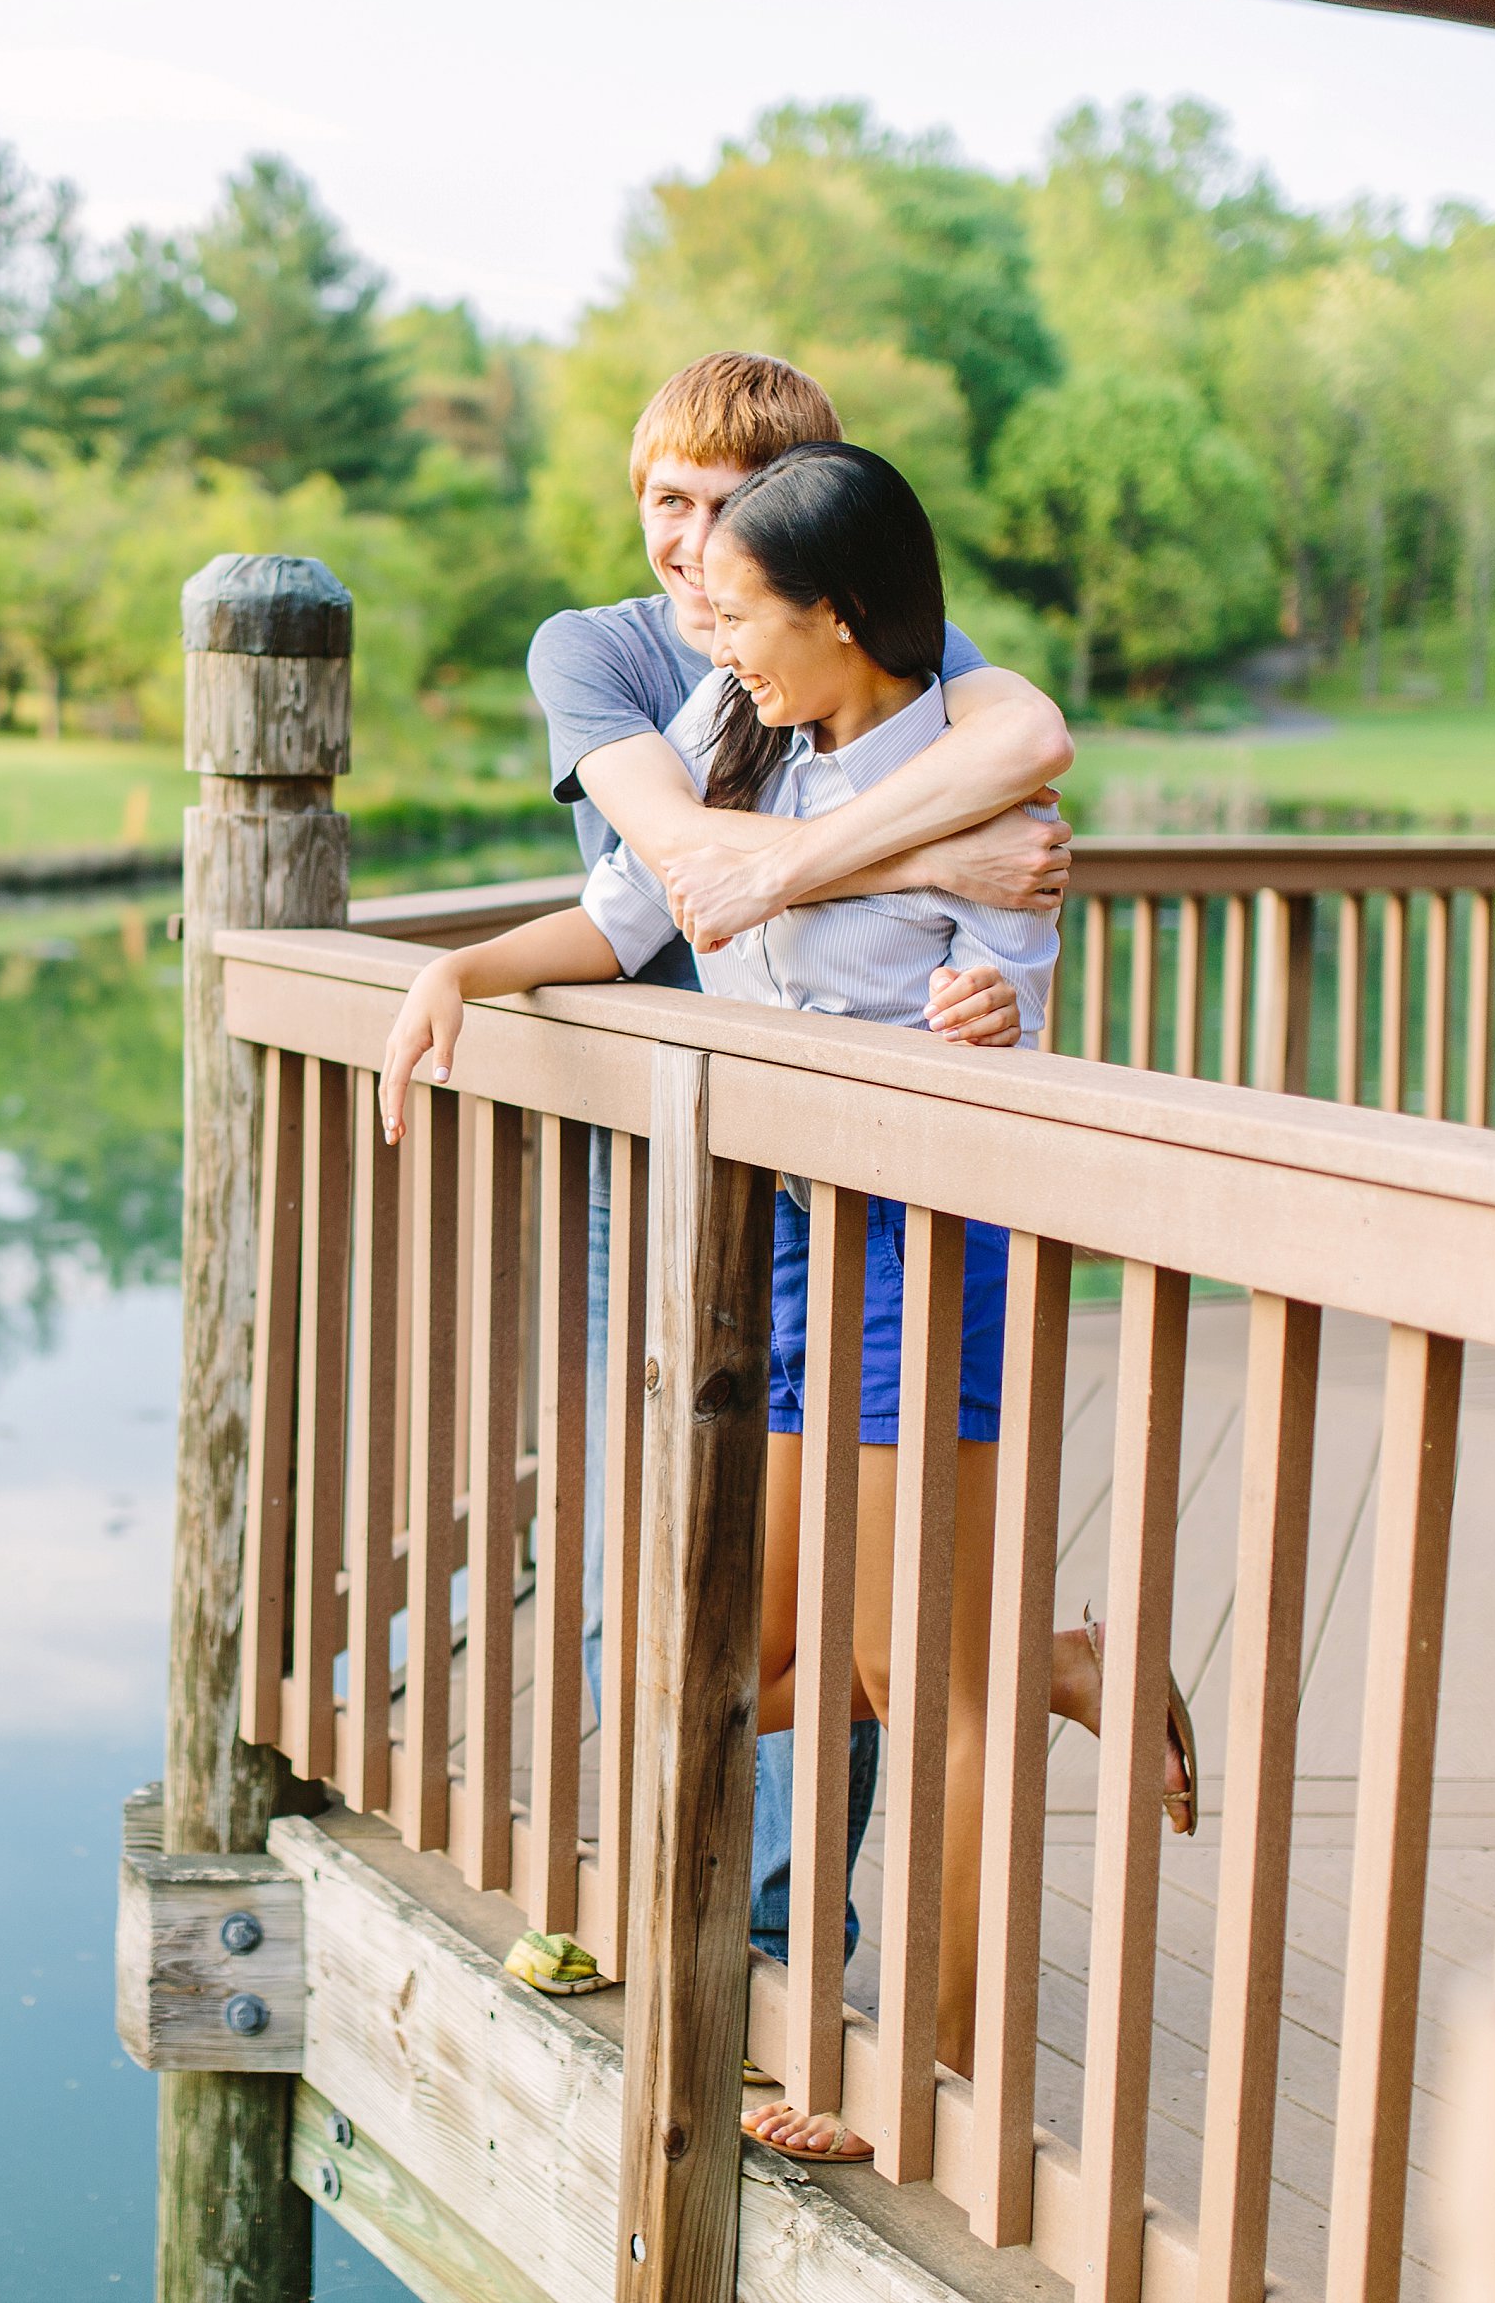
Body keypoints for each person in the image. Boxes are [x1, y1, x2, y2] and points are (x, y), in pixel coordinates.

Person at [398, 440, 1193, 2166]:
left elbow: (1000, 996)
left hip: (923, 1241)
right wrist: (459, 967)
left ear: (839, 613)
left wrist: (983, 983)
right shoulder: (739, 730)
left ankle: (924, 2086)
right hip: (776, 1240)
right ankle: (1055, 1655)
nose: (718, 640)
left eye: (747, 613)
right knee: (738, 1660)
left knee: (922, 1683)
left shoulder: (979, 785)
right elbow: (638, 909)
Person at [529, 354, 1072, 2074]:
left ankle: (788, 1951)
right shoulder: (616, 652)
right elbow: (689, 867)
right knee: (678, 1613)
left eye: (735, 519)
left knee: (892, 1631)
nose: (697, 554)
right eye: (669, 507)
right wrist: (938, 857)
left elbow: (1017, 745)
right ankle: (679, 1898)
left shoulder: (827, 624)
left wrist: (947, 887)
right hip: (704, 1188)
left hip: (895, 1201)